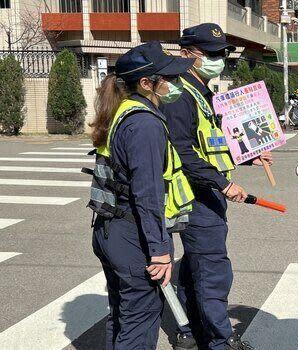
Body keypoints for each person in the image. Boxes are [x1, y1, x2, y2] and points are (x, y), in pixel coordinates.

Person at [160, 23, 273, 350]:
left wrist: (246, 155)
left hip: (205, 192)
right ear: (185, 54)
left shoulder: (200, 89)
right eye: (209, 54)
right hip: (196, 196)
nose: (217, 59)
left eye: (221, 54)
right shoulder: (180, 93)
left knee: (195, 269)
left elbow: (208, 143)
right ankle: (219, 343)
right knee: (213, 274)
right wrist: (223, 183)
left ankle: (190, 331)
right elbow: (182, 150)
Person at [88, 41, 196, 349]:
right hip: (133, 233)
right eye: (169, 78)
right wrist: (161, 250)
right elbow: (147, 195)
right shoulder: (144, 124)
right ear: (146, 83)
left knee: (122, 315)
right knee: (140, 320)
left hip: (110, 227)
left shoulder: (123, 110)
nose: (175, 84)